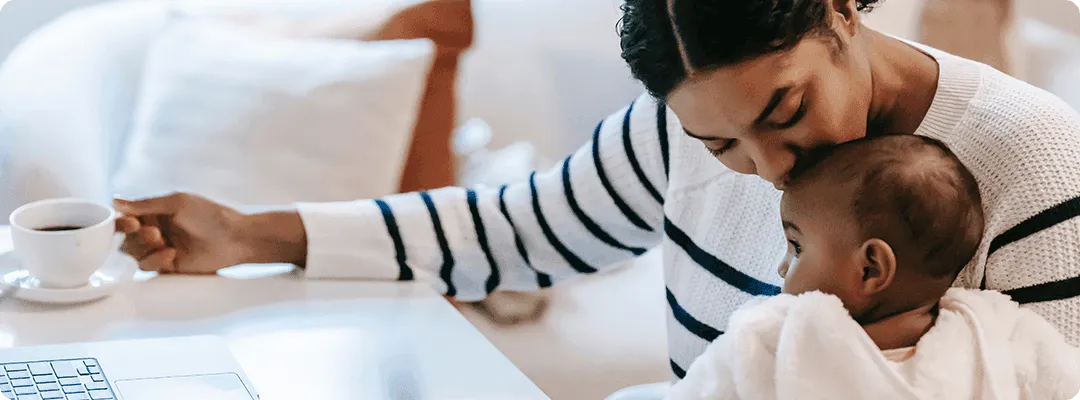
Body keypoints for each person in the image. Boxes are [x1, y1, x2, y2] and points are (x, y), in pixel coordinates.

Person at [114, 0, 1080, 380]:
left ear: (839, 11)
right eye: (721, 144)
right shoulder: (670, 134)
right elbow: (516, 229)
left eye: (785, 113)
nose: (770, 167)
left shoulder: (1034, 166)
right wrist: (247, 235)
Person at [666, 134, 1080, 399]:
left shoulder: (774, 338)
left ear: (870, 269)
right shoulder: (997, 335)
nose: (781, 267)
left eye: (796, 247)